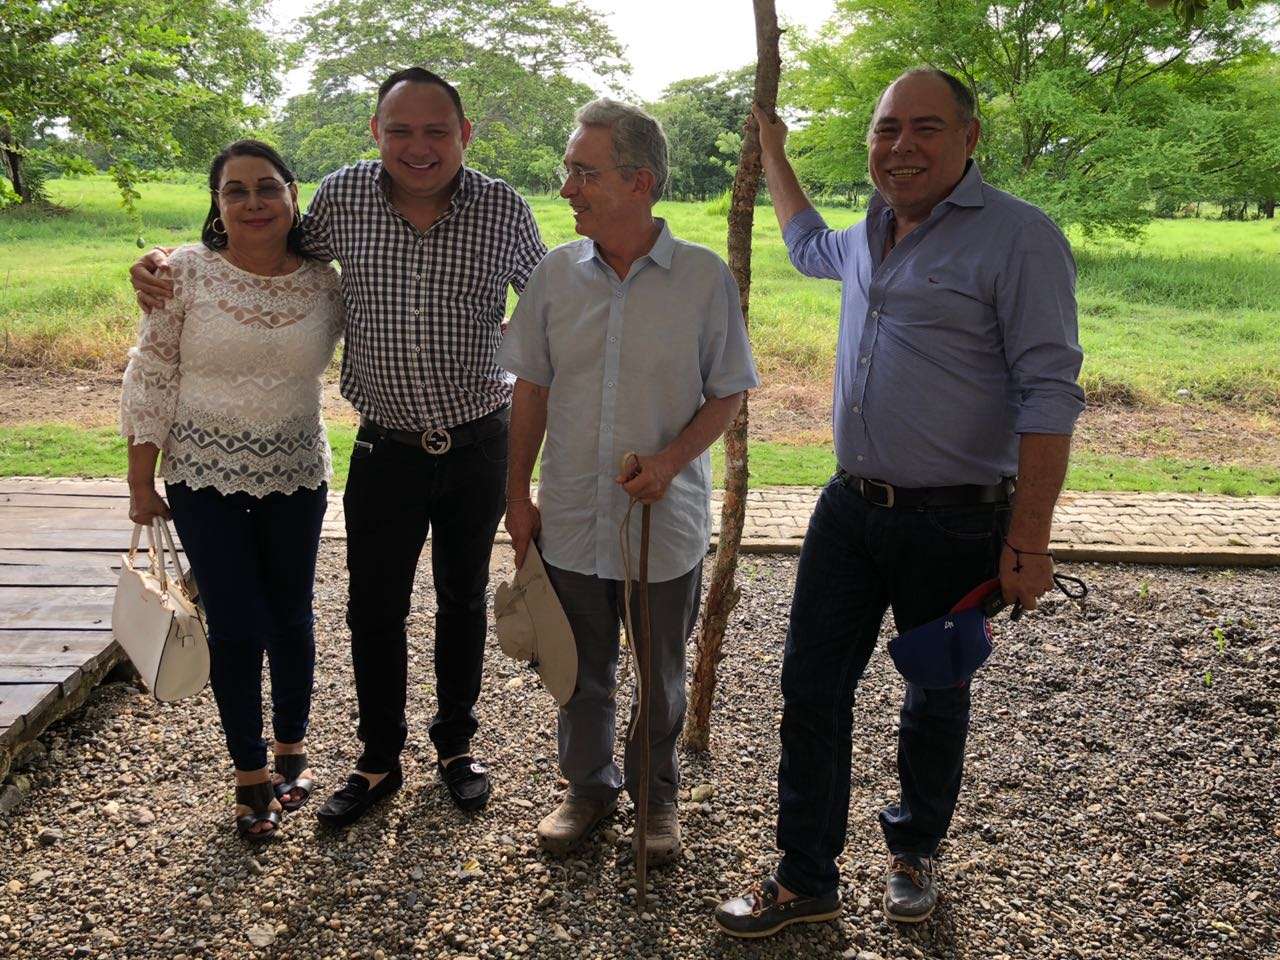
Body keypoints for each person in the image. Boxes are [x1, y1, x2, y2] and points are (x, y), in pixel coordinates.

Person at [715, 69, 1085, 937]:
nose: (901, 147)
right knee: (809, 689)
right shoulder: (866, 233)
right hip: (849, 511)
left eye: (925, 128)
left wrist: (1028, 541)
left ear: (970, 137)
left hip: (959, 521)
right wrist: (773, 152)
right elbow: (805, 243)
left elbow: (1049, 393)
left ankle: (915, 850)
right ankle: (805, 875)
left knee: (934, 693)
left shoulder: (1020, 240)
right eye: (887, 130)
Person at [130, 68, 548, 827]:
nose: (417, 147)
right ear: (375, 134)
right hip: (383, 449)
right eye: (400, 131)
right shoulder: (347, 198)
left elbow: (554, 305)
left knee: (460, 598)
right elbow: (260, 245)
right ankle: (377, 758)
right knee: (373, 610)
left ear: (465, 135)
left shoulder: (503, 209)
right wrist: (164, 261)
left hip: (477, 440)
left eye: (435, 131)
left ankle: (455, 745)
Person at [498, 99, 759, 863]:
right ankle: (587, 790)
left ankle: (655, 798)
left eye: (584, 171)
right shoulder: (554, 274)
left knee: (661, 675)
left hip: (663, 522)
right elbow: (531, 389)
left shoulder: (704, 278)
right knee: (578, 671)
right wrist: (518, 499)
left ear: (640, 180)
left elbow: (729, 391)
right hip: (573, 515)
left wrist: (672, 461)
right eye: (567, 170)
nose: (568, 187)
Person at [121, 139, 343, 841]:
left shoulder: (326, 283)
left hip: (296, 474)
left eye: (267, 187)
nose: (253, 203)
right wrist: (139, 477)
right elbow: (151, 371)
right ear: (217, 204)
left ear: (292, 195)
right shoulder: (182, 273)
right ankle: (249, 771)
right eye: (236, 190)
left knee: (293, 617)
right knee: (236, 624)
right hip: (200, 475)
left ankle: (292, 751)